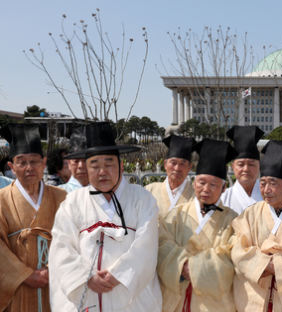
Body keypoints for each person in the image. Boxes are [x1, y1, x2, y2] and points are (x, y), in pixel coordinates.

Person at [48, 122, 162, 311]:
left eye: (109, 163)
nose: (102, 172)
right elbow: (61, 249)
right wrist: (86, 277)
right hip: (87, 296)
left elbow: (146, 247)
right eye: (95, 165)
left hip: (131, 300)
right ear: (87, 169)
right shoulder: (72, 202)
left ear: (122, 165)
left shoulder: (143, 199)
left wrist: (119, 274)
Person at [231, 140, 282, 312]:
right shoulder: (250, 214)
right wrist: (271, 265)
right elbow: (237, 249)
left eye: (273, 183)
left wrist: (262, 262)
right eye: (262, 183)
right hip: (254, 302)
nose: (266, 189)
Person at [158, 138, 238, 312]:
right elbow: (163, 245)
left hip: (214, 304)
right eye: (201, 182)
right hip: (177, 299)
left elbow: (230, 258)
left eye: (213, 184)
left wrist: (193, 268)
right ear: (194, 183)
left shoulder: (233, 221)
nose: (206, 189)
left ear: (224, 188)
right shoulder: (176, 215)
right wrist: (180, 266)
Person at [0, 124, 67, 311]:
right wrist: (25, 275)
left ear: (43, 163)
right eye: (22, 162)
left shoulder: (61, 197)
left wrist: (54, 270)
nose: (29, 168)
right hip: (17, 289)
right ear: (12, 167)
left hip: (55, 285)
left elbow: (74, 239)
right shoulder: (2, 200)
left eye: (34, 161)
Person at [146, 134, 195, 218]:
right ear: (165, 164)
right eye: (173, 162)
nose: (177, 168)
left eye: (182, 163)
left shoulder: (195, 195)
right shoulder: (149, 191)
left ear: (189, 167)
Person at [221, 125, 264, 214]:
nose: (246, 169)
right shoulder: (223, 198)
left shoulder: (269, 196)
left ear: (259, 166)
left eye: (251, 164)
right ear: (233, 166)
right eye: (241, 164)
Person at [59, 126, 89, 192]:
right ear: (69, 163)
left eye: (85, 160)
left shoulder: (106, 193)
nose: (81, 166)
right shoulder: (57, 193)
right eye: (76, 161)